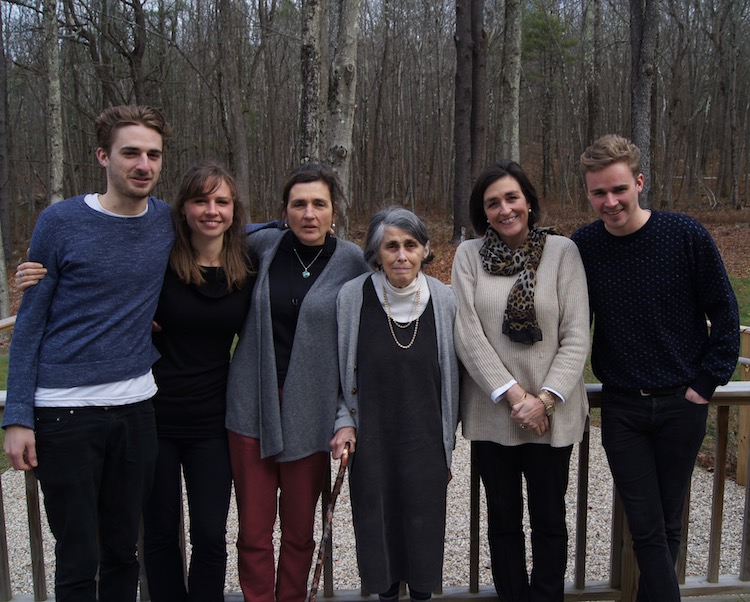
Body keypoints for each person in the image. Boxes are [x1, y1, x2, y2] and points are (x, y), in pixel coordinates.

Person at [2, 105, 175, 602]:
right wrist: (18, 416)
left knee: (123, 551)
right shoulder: (60, 222)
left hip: (136, 407)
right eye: (130, 153)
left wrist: (302, 229)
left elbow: (227, 223)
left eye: (153, 155)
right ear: (103, 156)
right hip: (64, 413)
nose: (143, 164)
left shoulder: (166, 220)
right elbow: (29, 324)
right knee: (78, 557)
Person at [571, 134, 740, 602]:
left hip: (682, 403)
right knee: (646, 527)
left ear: (639, 182)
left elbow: (725, 311)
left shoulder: (684, 235)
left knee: (667, 525)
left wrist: (706, 383)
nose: (610, 201)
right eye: (599, 193)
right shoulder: (583, 246)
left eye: (619, 189)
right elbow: (566, 320)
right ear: (588, 193)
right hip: (622, 408)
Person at [224, 164, 370, 602]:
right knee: (253, 529)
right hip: (251, 404)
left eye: (319, 204)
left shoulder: (352, 261)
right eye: (298, 204)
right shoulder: (262, 246)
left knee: (299, 530)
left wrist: (347, 415)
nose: (309, 214)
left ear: (334, 212)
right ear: (284, 211)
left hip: (312, 411)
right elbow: (215, 232)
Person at [451, 159, 589, 601]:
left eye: (512, 198)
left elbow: (576, 334)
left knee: (550, 520)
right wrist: (515, 397)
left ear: (528, 201)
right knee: (503, 521)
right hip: (495, 414)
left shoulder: (563, 252)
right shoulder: (468, 256)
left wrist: (544, 400)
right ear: (483, 212)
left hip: (552, 416)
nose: (504, 209)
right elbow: (467, 334)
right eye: (493, 203)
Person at [330, 206, 459, 602]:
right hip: (372, 444)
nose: (401, 255)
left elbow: (458, 374)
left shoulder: (445, 300)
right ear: (376, 252)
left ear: (425, 250)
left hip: (426, 443)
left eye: (410, 245)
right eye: (391, 246)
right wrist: (343, 420)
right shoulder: (353, 298)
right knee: (377, 535)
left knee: (424, 536)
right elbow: (339, 373)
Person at [141, 161, 255, 601]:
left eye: (222, 201)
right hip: (154, 416)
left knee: (210, 534)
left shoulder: (248, 264)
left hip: (213, 420)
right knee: (160, 531)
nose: (211, 210)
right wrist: (42, 270)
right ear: (183, 208)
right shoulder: (159, 261)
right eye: (200, 200)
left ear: (234, 209)